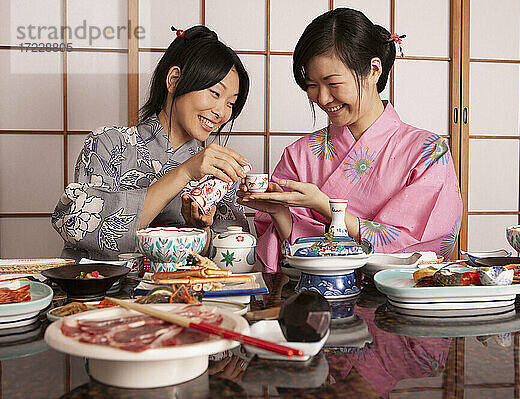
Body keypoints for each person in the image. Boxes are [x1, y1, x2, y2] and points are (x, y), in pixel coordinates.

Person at [238, 8, 463, 272]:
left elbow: (424, 247)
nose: (322, 98)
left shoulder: (427, 152)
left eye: (333, 83)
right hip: (311, 299)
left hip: (400, 300)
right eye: (311, 85)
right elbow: (282, 253)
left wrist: (327, 208)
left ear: (373, 70)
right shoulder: (298, 155)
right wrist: (278, 213)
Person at [52, 25, 251, 261]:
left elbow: (235, 252)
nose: (221, 112)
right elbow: (81, 227)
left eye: (231, 103)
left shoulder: (214, 170)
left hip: (185, 294)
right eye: (215, 93)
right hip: (108, 294)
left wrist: (199, 230)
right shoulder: (107, 143)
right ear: (174, 80)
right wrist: (184, 172)